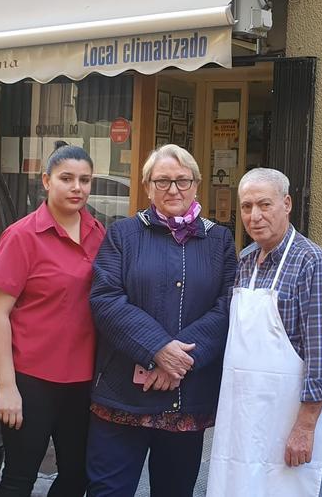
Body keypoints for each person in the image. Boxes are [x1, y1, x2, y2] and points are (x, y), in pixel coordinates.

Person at [86, 144, 237, 497]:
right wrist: (157, 349)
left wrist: (179, 361)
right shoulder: (122, 234)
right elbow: (105, 299)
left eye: (183, 181)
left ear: (197, 185)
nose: (173, 190)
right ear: (147, 186)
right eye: (163, 181)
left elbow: (228, 305)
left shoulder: (219, 239)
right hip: (122, 396)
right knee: (108, 491)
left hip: (186, 398)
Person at [206, 167, 322, 497]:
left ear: (287, 204)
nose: (254, 216)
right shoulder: (246, 259)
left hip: (289, 419)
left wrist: (305, 427)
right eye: (246, 206)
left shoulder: (313, 263)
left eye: (264, 205)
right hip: (242, 416)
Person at [0, 145, 106, 497]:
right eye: (66, 179)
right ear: (46, 181)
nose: (76, 188)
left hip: (84, 380)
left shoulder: (100, 234)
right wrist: (7, 387)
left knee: (77, 476)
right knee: (20, 478)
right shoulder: (22, 236)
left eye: (84, 180)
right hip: (31, 379)